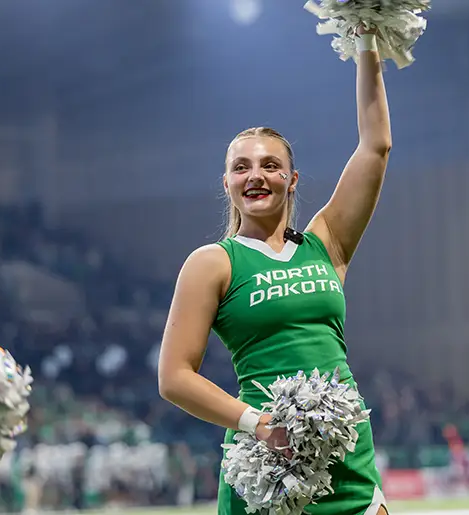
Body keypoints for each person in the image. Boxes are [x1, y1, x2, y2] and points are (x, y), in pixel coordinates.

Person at [158, 25, 392, 515]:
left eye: (270, 164)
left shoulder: (327, 242)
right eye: (241, 167)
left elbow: (376, 147)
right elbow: (175, 376)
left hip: (346, 452)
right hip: (266, 461)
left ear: (291, 179)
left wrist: (367, 42)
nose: (256, 175)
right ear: (226, 183)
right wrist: (256, 423)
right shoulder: (213, 262)